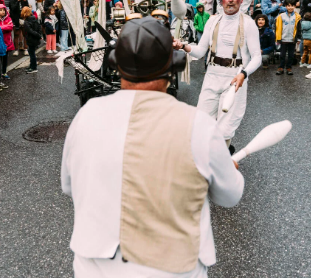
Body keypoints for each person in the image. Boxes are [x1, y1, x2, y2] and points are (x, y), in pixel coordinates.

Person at [61, 17, 243, 277]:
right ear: (173, 68)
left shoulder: (87, 116)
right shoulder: (199, 126)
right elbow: (229, 195)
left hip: (97, 268)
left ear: (115, 65)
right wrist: (230, 169)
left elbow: (69, 186)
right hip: (174, 269)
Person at [174, 0, 261, 149]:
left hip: (235, 78)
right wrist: (183, 46)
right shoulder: (212, 21)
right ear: (221, 0)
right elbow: (200, 51)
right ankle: (207, 155)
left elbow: (257, 56)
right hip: (212, 74)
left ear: (241, 0)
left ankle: (221, 159)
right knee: (202, 121)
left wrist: (243, 74)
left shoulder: (249, 23)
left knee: (226, 126)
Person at [274, 0, 301, 76]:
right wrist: (277, 37)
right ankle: (281, 67)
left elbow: (299, 28)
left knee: (291, 54)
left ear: (295, 6)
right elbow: (277, 27)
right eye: (288, 6)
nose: (290, 7)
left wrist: (298, 38)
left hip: (292, 39)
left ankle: (289, 67)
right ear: (285, 6)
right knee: (282, 54)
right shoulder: (281, 16)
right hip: (283, 38)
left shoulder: (297, 17)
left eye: (292, 5)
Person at [0, 4, 14, 78]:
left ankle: (4, 72)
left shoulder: (8, 18)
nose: (2, 12)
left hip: (7, 42)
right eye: (0, 10)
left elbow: (10, 27)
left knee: (5, 58)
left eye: (3, 10)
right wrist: (4, 27)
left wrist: (0, 27)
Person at [22, 7, 42, 74]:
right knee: (32, 52)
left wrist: (38, 35)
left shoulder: (27, 22)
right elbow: (39, 27)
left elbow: (30, 31)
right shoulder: (34, 19)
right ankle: (31, 66)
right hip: (35, 39)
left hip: (31, 39)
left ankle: (33, 67)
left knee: (32, 53)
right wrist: (39, 35)